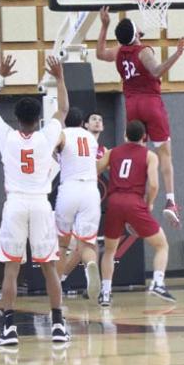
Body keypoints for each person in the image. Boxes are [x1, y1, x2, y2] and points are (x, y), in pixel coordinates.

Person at [0, 55, 70, 347]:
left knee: (11, 269)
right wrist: (59, 77)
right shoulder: (47, 136)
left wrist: (0, 76)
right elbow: (64, 109)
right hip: (41, 204)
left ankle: (9, 330)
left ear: (18, 118)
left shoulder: (6, 136)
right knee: (49, 267)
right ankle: (58, 326)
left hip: (16, 205)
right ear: (37, 119)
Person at [96, 7, 184, 228]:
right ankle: (170, 202)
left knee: (138, 157)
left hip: (132, 107)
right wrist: (176, 54)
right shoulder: (143, 51)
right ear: (136, 35)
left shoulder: (119, 51)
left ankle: (137, 205)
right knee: (164, 155)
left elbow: (99, 53)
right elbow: (156, 71)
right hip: (151, 104)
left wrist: (105, 25)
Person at [97, 120, 176, 307]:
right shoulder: (150, 156)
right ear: (144, 137)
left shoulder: (112, 152)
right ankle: (157, 282)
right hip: (134, 202)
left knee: (109, 250)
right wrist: (149, 204)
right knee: (162, 245)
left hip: (114, 201)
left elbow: (93, 171)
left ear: (125, 135)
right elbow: (155, 185)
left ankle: (106, 293)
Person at [54, 107, 101, 301]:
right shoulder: (91, 138)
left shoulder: (63, 133)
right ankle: (90, 264)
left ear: (66, 122)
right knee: (87, 243)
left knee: (62, 244)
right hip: (90, 190)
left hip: (69, 188)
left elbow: (52, 148)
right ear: (83, 123)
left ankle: (56, 285)